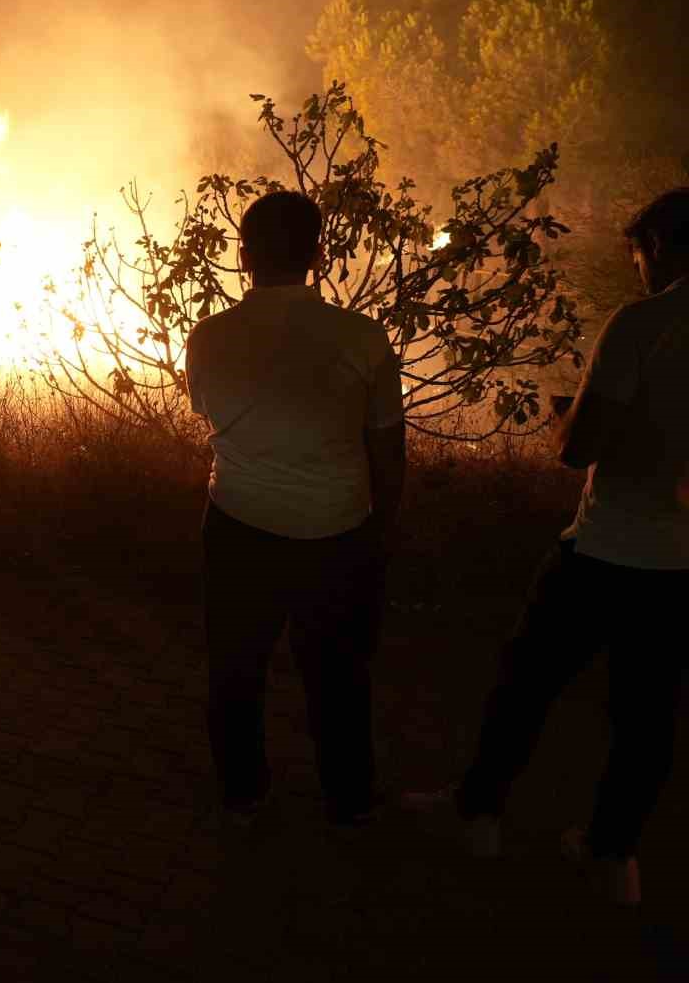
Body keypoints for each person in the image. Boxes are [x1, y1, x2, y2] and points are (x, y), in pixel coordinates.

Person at [404, 189, 689, 906]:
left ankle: (479, 815)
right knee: (647, 721)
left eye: (636, 259)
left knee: (524, 685)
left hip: (607, 550)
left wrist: (566, 420)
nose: (636, 276)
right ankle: (613, 857)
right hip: (682, 569)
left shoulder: (646, 325)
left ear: (658, 245)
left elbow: (581, 448)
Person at [184, 189, 407, 827]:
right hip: (337, 531)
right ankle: (349, 799)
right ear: (318, 254)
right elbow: (388, 451)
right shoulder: (363, 339)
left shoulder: (209, 337)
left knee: (235, 668)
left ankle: (243, 795)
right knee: (338, 676)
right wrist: (380, 533)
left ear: (244, 256)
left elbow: (207, 414)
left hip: (237, 524)